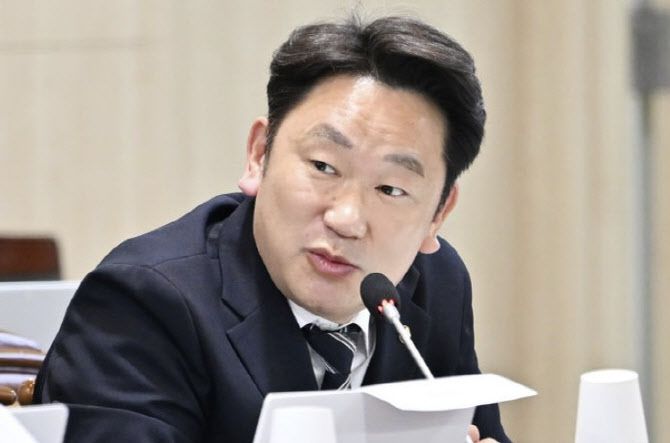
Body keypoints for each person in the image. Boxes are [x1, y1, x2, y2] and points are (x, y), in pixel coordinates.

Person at [35, 14, 509, 443]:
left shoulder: (435, 284)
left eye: (390, 189)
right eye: (323, 166)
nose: (346, 219)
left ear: (438, 214)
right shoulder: (143, 302)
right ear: (259, 155)